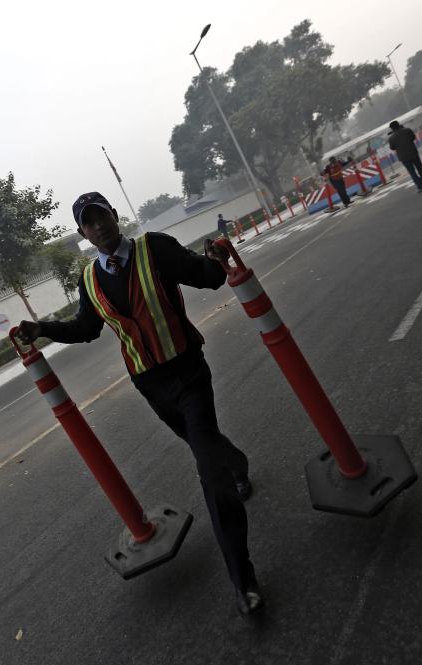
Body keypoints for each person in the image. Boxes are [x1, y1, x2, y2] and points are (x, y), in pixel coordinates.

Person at [16, 192, 263, 617]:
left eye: (102, 217)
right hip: (150, 385)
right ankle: (236, 463)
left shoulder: (156, 247)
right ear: (83, 234)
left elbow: (206, 276)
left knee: (208, 471)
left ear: (115, 217)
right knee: (200, 443)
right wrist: (42, 329)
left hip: (188, 372)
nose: (98, 226)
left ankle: (244, 580)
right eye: (88, 223)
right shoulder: (90, 279)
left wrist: (217, 256)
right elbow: (86, 328)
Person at [388, 120, 422, 193]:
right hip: (413, 153)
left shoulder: (391, 138)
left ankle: (420, 187)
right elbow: (413, 138)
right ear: (399, 124)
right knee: (420, 169)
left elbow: (392, 147)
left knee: (412, 173)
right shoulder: (407, 130)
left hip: (404, 158)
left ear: (392, 128)